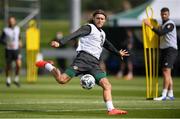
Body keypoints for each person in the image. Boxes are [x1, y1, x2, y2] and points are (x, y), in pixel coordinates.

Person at [36, 9, 129, 115]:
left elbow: (107, 45)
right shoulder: (89, 27)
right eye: (98, 18)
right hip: (83, 60)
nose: (100, 20)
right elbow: (75, 34)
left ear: (105, 21)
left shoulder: (102, 33)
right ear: (93, 18)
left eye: (102, 19)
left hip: (94, 63)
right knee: (62, 80)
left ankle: (111, 109)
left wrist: (118, 53)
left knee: (107, 85)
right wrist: (59, 42)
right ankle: (47, 65)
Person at [144, 7, 178, 101]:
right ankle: (170, 94)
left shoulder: (170, 24)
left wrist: (150, 25)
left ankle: (163, 94)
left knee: (165, 72)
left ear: (168, 14)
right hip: (164, 49)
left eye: (165, 14)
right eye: (162, 14)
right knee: (167, 72)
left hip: (170, 49)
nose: (163, 16)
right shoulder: (163, 24)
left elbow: (160, 33)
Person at [0, 16, 22, 87]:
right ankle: (8, 79)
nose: (11, 22)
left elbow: (18, 37)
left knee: (18, 64)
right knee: (8, 66)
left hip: (16, 49)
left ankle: (16, 79)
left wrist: (20, 42)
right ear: (8, 22)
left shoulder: (17, 29)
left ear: (15, 21)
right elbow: (1, 40)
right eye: (10, 21)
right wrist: (6, 43)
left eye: (12, 21)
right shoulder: (5, 30)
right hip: (8, 50)